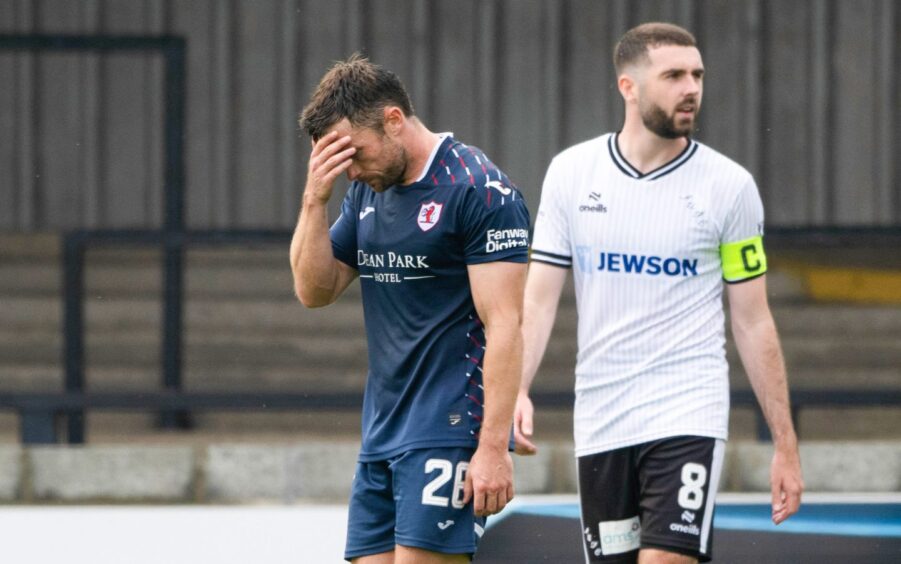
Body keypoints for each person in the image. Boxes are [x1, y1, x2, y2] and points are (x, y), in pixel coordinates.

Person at [513, 22, 804, 564]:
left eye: (697, 75)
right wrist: (517, 387)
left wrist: (785, 443)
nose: (691, 87)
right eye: (673, 75)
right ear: (628, 86)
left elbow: (753, 320)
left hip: (687, 411)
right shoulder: (572, 174)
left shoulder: (730, 186)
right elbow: (538, 299)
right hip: (601, 417)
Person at [290, 54, 530, 563]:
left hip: (449, 430)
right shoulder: (364, 191)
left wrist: (492, 448)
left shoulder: (477, 188)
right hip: (381, 433)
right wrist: (315, 200)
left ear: (393, 120)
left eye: (354, 153)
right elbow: (315, 291)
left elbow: (506, 324)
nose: (351, 169)